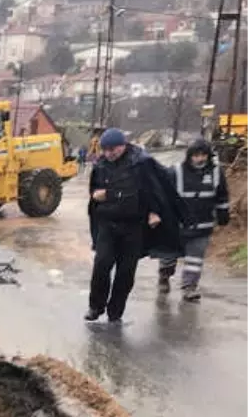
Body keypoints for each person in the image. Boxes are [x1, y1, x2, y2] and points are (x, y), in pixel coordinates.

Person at [86, 128, 184, 324]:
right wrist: (96, 195)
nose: (109, 153)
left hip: (133, 226)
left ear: (123, 145)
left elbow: (154, 188)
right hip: (108, 223)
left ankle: (115, 312)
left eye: (113, 149)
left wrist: (155, 211)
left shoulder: (140, 163)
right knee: (102, 264)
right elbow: (95, 191)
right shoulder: (101, 165)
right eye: (105, 150)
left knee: (126, 271)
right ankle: (95, 307)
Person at [158, 137, 230, 302]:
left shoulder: (216, 173)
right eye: (196, 155)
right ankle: (164, 275)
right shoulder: (175, 171)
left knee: (195, 258)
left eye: (203, 155)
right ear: (189, 156)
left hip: (202, 224)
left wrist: (223, 213)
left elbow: (222, 195)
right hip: (177, 225)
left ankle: (189, 287)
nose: (200, 159)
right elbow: (163, 195)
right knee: (169, 256)